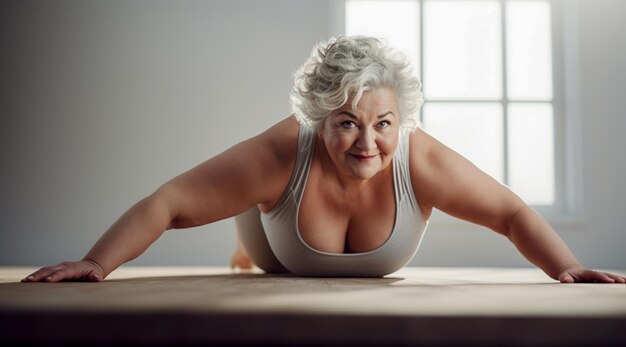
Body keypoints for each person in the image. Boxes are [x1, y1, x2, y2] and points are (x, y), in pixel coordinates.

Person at [22, 36, 625, 283]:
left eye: (383, 125)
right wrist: (97, 263)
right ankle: (244, 236)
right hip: (274, 237)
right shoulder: (283, 149)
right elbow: (171, 204)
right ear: (318, 119)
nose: (368, 143)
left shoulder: (420, 160)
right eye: (346, 124)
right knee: (248, 218)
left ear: (402, 120)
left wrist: (567, 271)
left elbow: (511, 214)